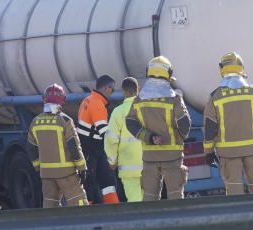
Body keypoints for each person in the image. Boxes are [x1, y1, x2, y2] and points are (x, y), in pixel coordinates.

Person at [203, 52, 253, 195]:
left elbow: (210, 128)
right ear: (241, 68)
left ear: (222, 69)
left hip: (228, 154)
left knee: (234, 193)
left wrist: (208, 152)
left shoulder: (215, 97)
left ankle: (239, 217)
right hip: (252, 151)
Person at [126, 55, 191, 200]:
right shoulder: (174, 99)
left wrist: (150, 137)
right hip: (173, 157)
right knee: (175, 197)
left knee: (149, 198)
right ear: (168, 76)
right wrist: (178, 138)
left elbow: (130, 123)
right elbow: (185, 125)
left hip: (149, 156)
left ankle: (151, 223)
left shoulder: (138, 100)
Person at [28, 84, 88, 208]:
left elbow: (31, 148)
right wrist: (82, 168)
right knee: (79, 205)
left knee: (50, 207)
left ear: (44, 99)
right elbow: (74, 147)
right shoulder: (65, 121)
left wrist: (38, 167)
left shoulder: (35, 122)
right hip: (67, 174)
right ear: (62, 100)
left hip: (46, 175)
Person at [76, 74, 121, 204]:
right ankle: (109, 211)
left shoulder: (87, 100)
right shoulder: (98, 104)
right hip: (93, 150)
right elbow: (104, 133)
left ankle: (110, 208)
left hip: (88, 149)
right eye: (112, 89)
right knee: (97, 184)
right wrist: (118, 146)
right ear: (107, 88)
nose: (112, 93)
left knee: (97, 182)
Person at [105, 76, 143, 202]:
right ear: (138, 89)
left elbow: (111, 139)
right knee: (151, 201)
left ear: (124, 91)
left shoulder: (118, 112)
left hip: (129, 168)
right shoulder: (146, 108)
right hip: (150, 165)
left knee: (135, 201)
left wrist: (112, 161)